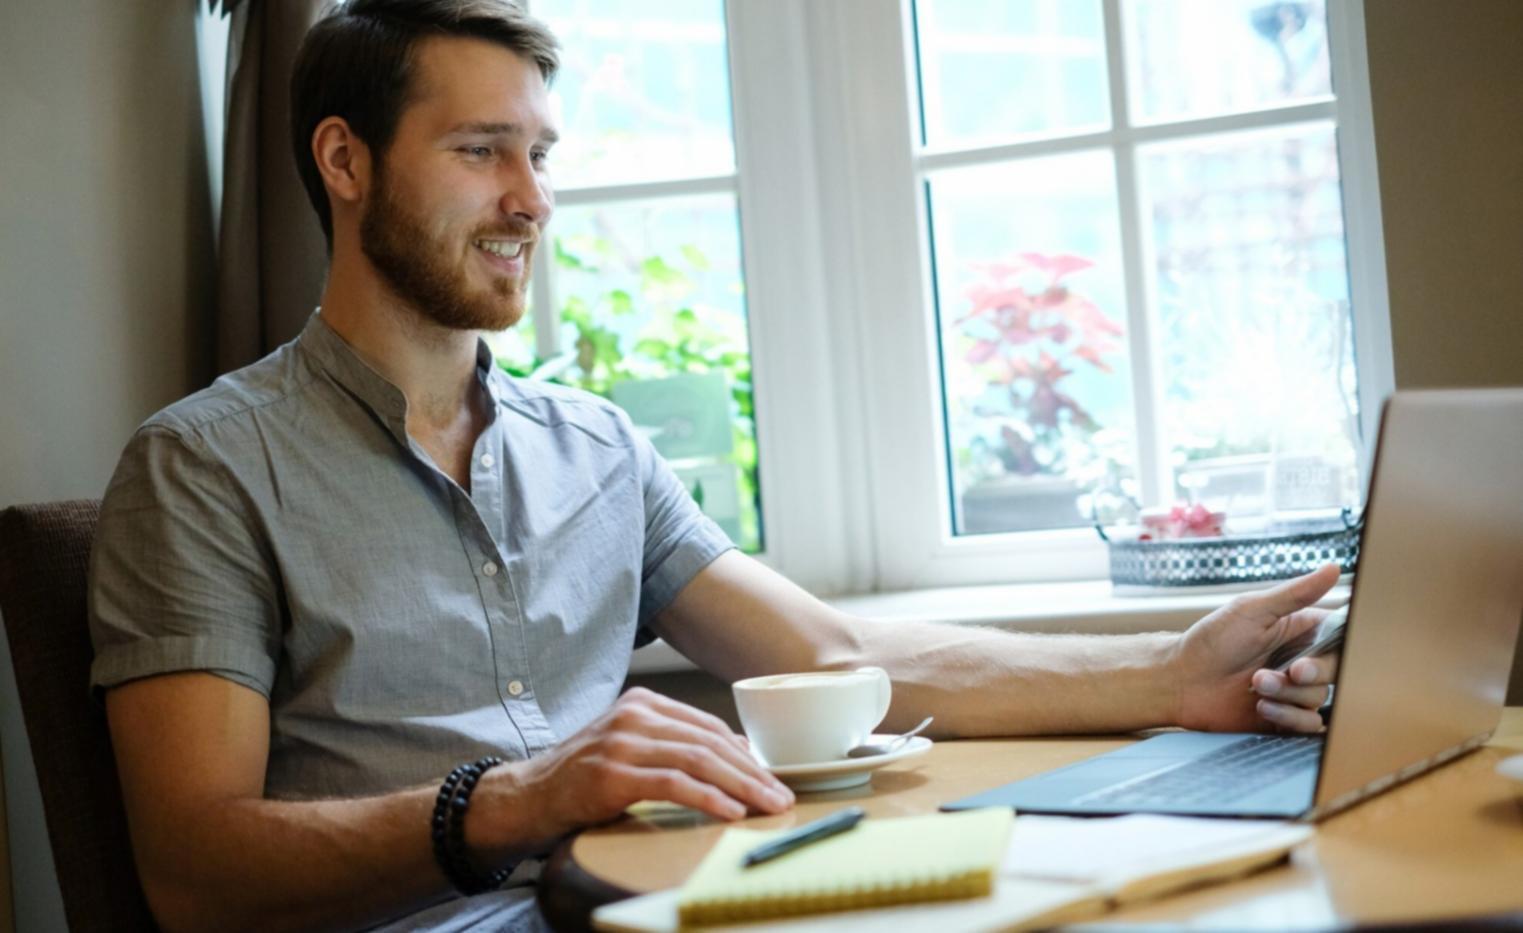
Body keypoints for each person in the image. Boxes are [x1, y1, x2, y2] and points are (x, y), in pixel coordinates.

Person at [86, 1, 1340, 930]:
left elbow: (841, 663)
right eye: (480, 151)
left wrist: (1167, 673)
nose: (531, 200)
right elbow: (196, 872)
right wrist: (512, 802)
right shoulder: (203, 467)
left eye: (541, 154)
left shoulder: (595, 450)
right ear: (345, 162)